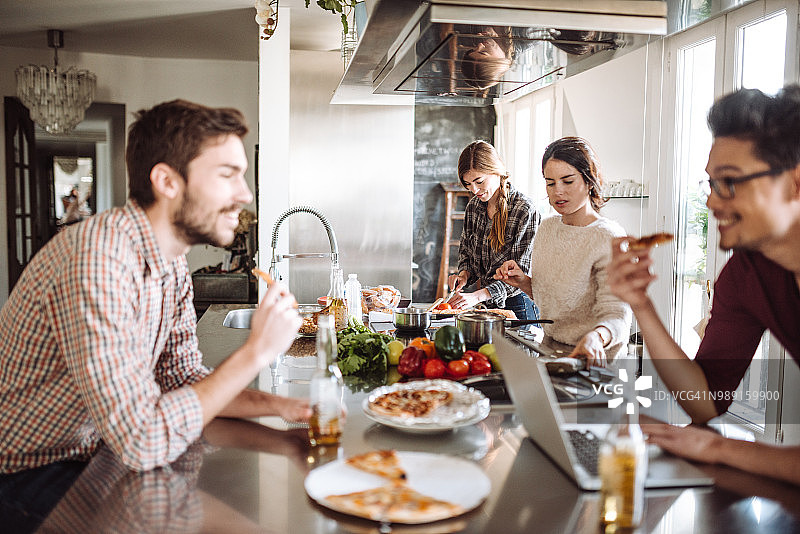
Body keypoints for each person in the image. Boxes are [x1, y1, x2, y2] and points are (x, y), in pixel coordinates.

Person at [0, 99, 310, 529]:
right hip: (26, 476)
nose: (246, 194)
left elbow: (182, 382)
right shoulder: (98, 259)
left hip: (96, 452)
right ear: (167, 181)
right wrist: (256, 351)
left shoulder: (170, 263)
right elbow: (142, 440)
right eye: (227, 175)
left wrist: (286, 410)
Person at [607, 85, 800, 485]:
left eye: (729, 181)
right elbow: (705, 402)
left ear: (794, 184)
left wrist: (720, 448)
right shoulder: (748, 273)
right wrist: (641, 305)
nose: (712, 203)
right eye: (710, 184)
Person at [495, 137, 632, 366]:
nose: (558, 191)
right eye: (550, 183)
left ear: (590, 181)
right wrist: (525, 283)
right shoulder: (548, 228)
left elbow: (618, 314)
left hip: (596, 363)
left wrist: (597, 337)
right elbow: (554, 300)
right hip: (551, 352)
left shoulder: (609, 237)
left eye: (567, 181)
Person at [447, 140, 539, 321]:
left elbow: (521, 276)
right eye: (467, 184)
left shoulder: (524, 210)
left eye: (479, 181)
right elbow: (466, 251)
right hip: (487, 307)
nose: (474, 190)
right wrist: (464, 275)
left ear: (496, 171)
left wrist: (478, 296)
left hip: (518, 307)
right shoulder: (474, 206)